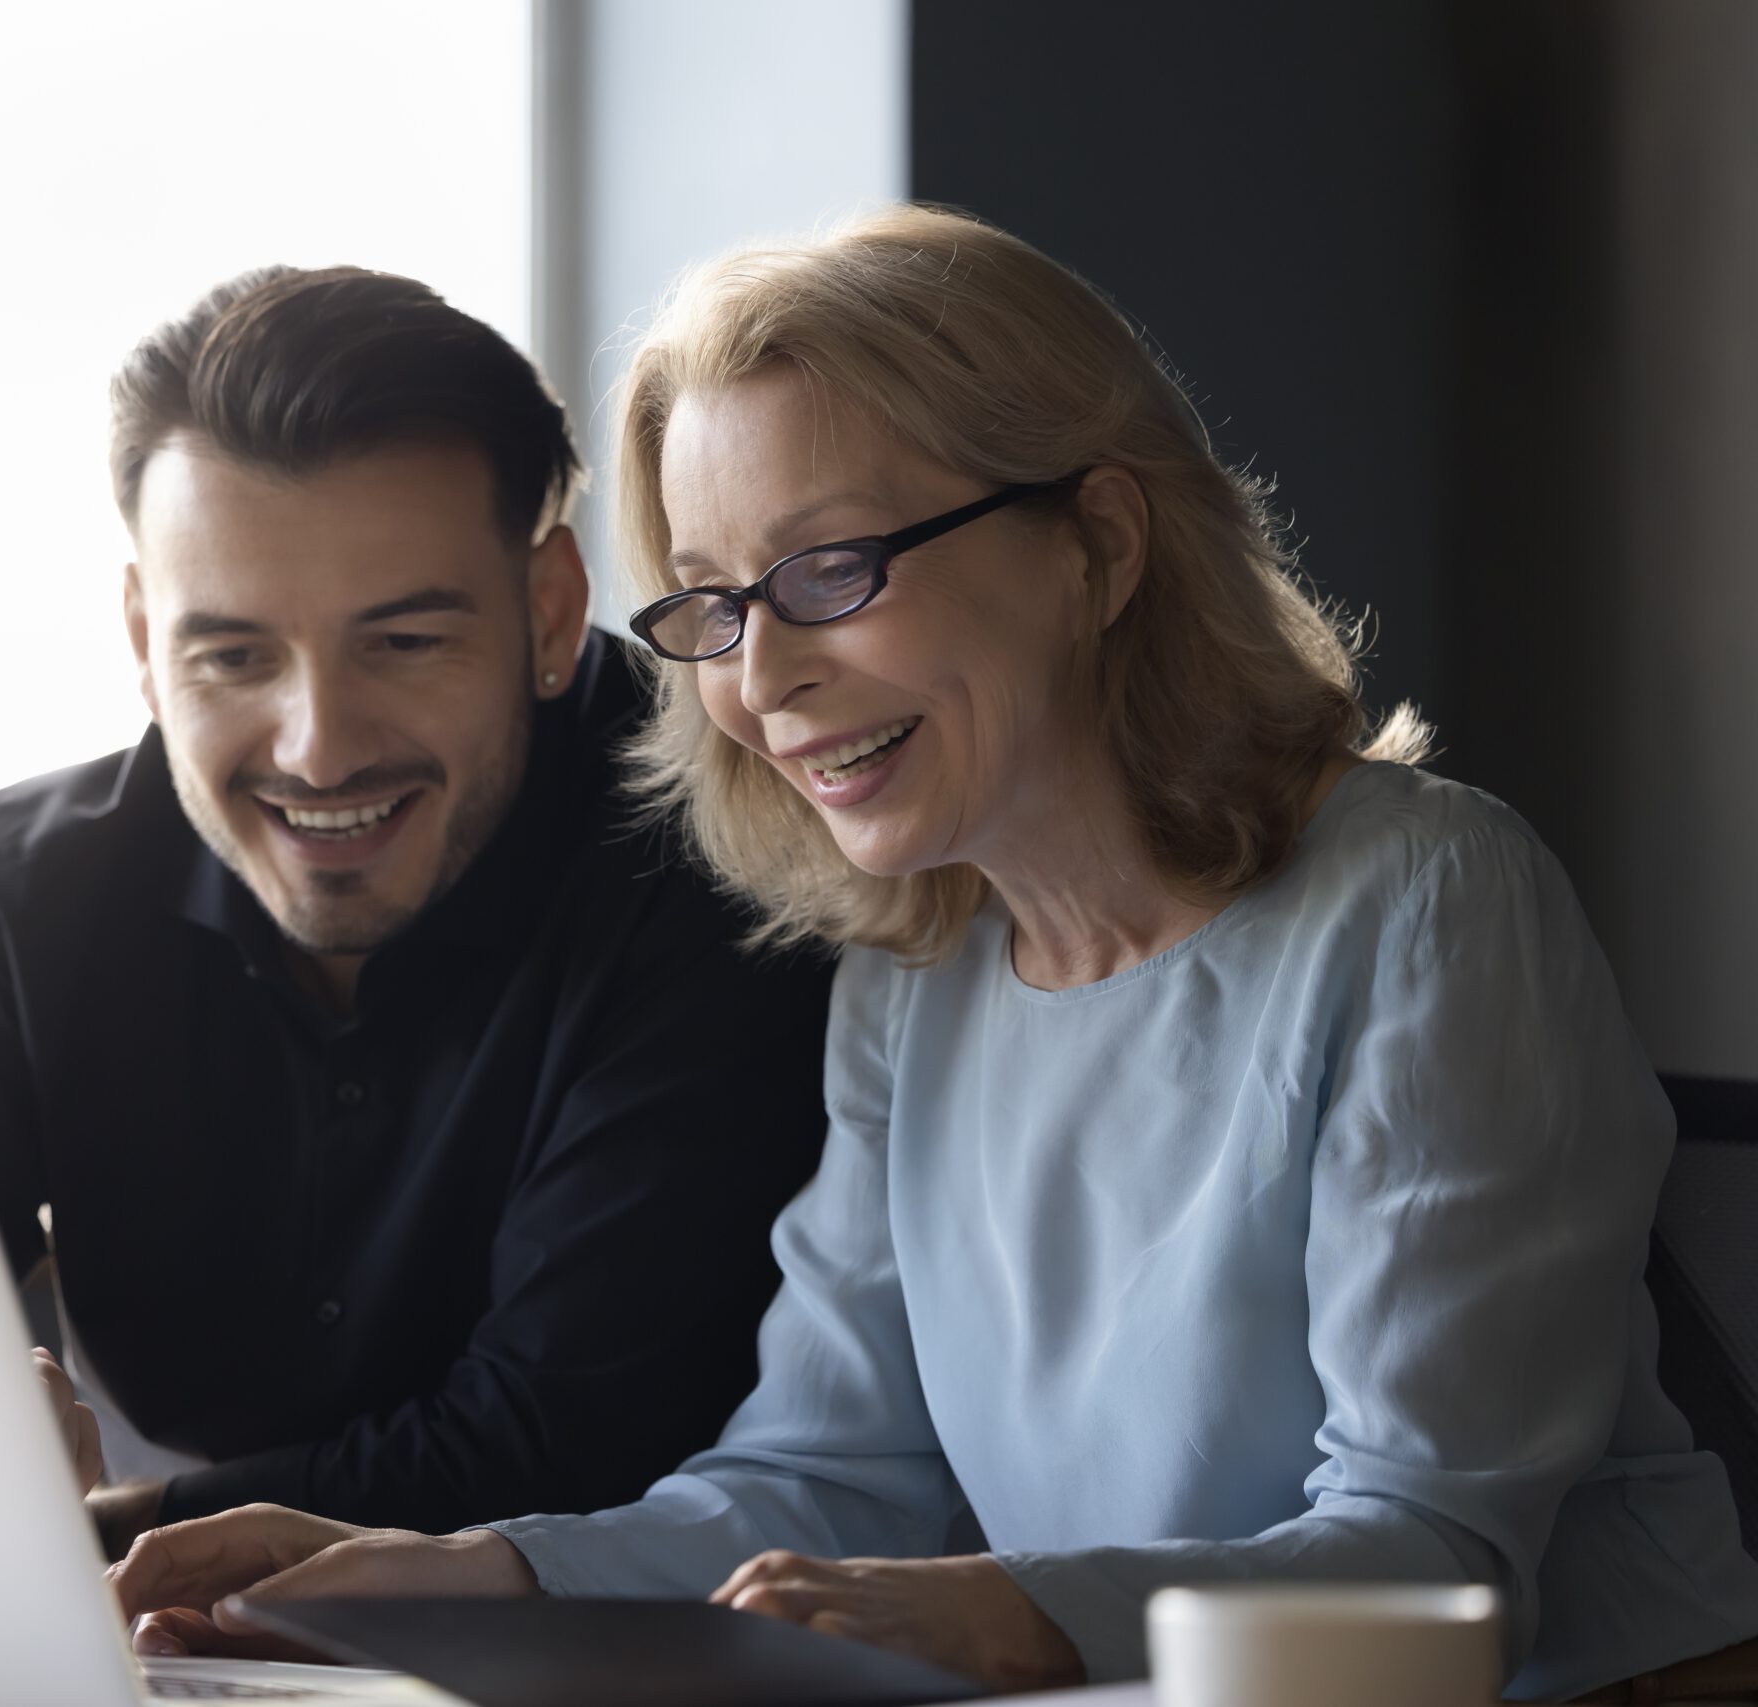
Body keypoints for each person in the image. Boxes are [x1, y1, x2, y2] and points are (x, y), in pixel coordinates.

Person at [104, 208, 1758, 1699]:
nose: (762, 681)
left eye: (831, 570)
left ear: (1101, 546)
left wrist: (1005, 1618)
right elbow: (827, 1477)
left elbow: (1437, 1566)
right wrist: (466, 1575)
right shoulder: (920, 980)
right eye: (712, 604)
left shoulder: (1430, 899)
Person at [0, 265, 835, 1560]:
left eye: (405, 643)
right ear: (145, 639)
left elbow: (568, 1441)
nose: (319, 750)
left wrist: (91, 1542)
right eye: (234, 656)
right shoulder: (28, 896)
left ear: (549, 610)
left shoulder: (715, 860)